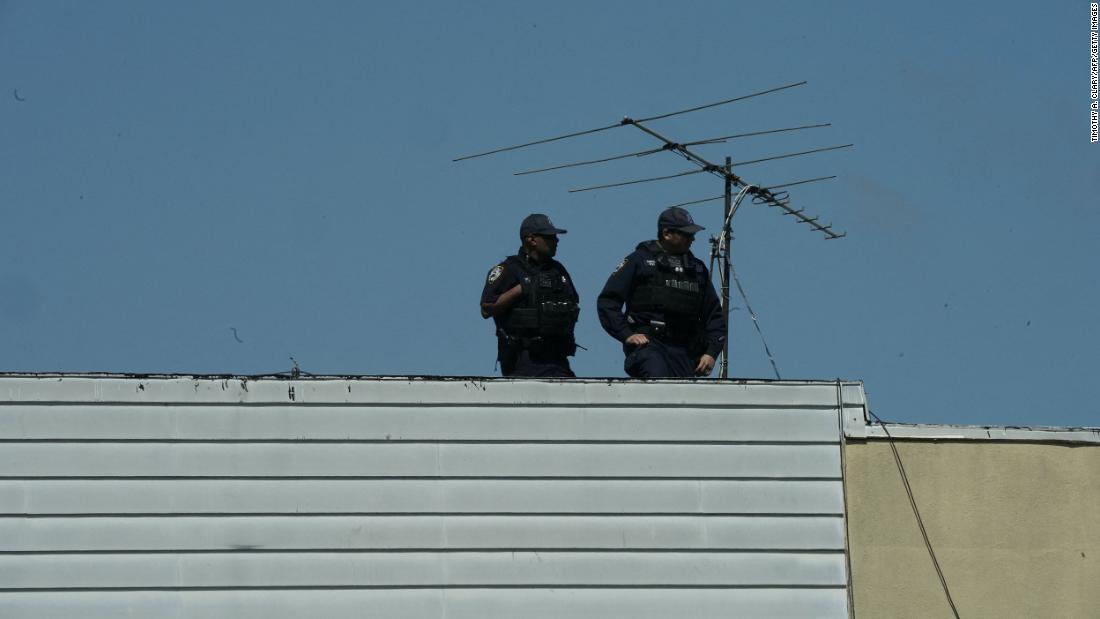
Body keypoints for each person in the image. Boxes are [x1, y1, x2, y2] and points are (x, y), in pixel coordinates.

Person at [597, 206, 726, 378]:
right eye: (685, 234)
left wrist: (711, 352)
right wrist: (626, 335)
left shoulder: (696, 269)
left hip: (685, 352)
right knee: (658, 384)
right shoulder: (640, 261)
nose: (692, 239)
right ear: (666, 233)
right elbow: (608, 302)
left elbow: (715, 316)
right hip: (650, 346)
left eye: (692, 234)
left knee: (686, 400)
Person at [480, 213, 580, 377]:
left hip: (558, 360)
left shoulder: (558, 270)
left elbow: (573, 303)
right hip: (524, 362)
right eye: (550, 237)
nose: (556, 241)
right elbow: (486, 309)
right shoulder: (509, 269)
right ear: (531, 240)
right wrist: (524, 287)